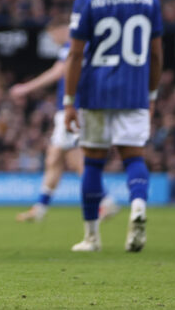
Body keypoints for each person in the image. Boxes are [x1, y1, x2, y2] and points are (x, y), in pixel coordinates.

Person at [64, 0, 163, 253]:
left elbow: (75, 54)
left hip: (96, 91)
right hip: (134, 90)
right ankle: (138, 206)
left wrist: (68, 101)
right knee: (134, 157)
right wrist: (151, 95)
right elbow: (156, 54)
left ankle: (92, 237)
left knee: (93, 162)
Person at [9, 18, 117, 223]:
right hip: (79, 108)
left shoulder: (72, 45)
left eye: (52, 35)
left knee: (75, 159)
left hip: (72, 110)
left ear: (62, 29)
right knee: (55, 158)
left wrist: (25, 88)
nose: (53, 40)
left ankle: (105, 199)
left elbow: (59, 71)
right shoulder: (88, 45)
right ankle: (40, 208)